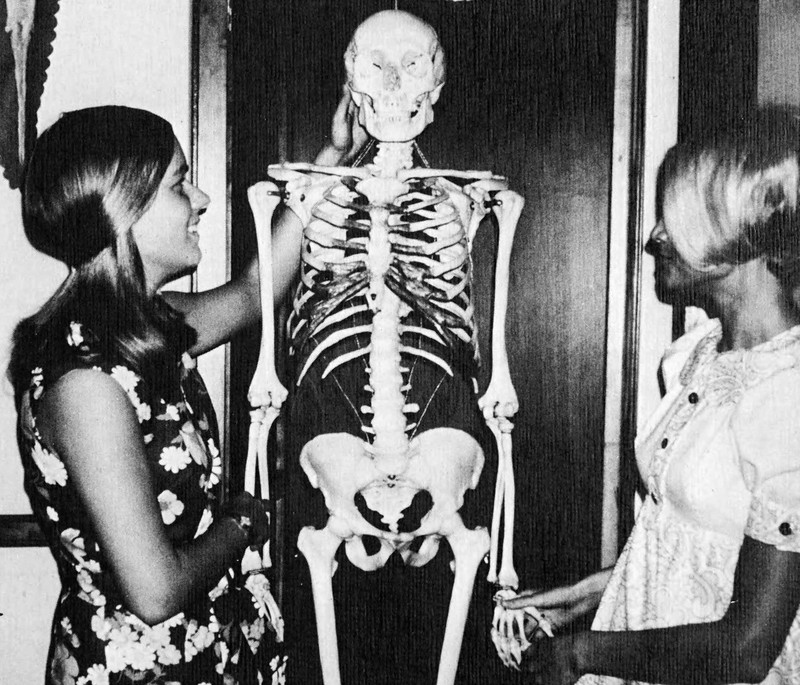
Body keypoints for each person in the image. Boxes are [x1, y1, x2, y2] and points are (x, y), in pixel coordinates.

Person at [9, 99, 360, 684]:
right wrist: (242, 522)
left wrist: (334, 157)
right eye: (180, 184)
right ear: (123, 206)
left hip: (200, 657)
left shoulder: (146, 328)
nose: (201, 199)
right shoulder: (84, 382)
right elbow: (156, 592)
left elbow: (254, 292)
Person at [503, 108, 800, 684]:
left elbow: (746, 650)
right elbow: (696, 549)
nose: (655, 238)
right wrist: (589, 593)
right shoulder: (697, 354)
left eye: (677, 219)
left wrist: (582, 654)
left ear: (740, 231)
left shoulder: (787, 396)